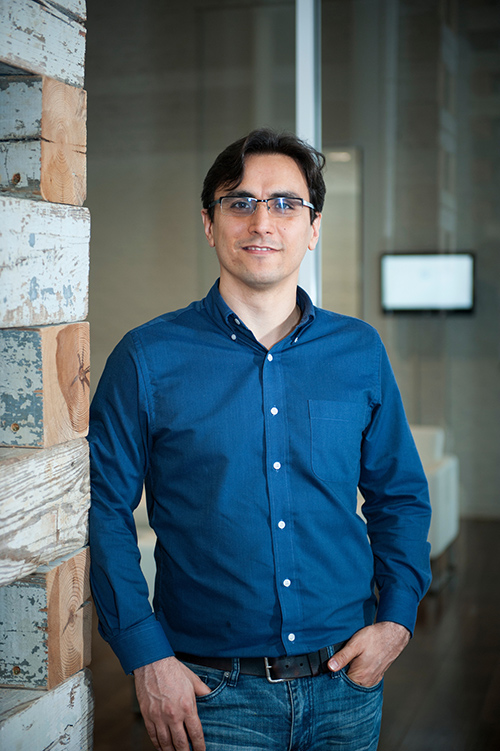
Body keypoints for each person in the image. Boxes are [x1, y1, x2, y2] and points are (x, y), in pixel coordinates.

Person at [88, 128, 432, 751]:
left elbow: (399, 495)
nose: (261, 221)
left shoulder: (359, 352)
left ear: (314, 226)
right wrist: (145, 655)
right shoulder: (146, 357)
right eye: (239, 201)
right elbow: (102, 509)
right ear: (209, 223)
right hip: (208, 692)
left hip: (346, 682)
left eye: (284, 203)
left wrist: (398, 620)